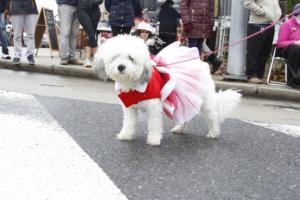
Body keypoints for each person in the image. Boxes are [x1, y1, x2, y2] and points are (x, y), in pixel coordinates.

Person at [244, 0, 282, 84]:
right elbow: (248, 2)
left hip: (271, 24)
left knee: (265, 52)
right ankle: (252, 74)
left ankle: (260, 74)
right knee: (255, 51)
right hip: (258, 24)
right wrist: (262, 12)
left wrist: (278, 14)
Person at [180, 0, 222, 74]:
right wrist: (186, 21)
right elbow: (183, 6)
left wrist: (211, 23)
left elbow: (211, 8)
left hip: (203, 24)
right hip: (192, 24)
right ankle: (193, 70)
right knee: (194, 48)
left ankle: (194, 70)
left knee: (198, 46)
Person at [5, 0, 38, 65]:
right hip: (16, 9)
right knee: (17, 35)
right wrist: (7, 9)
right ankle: (17, 55)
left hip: (31, 8)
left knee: (31, 35)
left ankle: (30, 55)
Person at [277, 3, 300, 89]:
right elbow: (280, 43)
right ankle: (293, 81)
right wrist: (295, 42)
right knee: (295, 49)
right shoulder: (287, 25)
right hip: (289, 51)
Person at [77, 0, 102, 67]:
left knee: (92, 35)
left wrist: (93, 2)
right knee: (91, 34)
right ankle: (98, 57)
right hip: (82, 10)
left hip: (95, 11)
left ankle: (88, 59)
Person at [56, 0, 82, 65]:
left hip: (78, 6)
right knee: (65, 32)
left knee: (74, 34)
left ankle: (72, 57)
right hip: (65, 4)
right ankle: (64, 57)